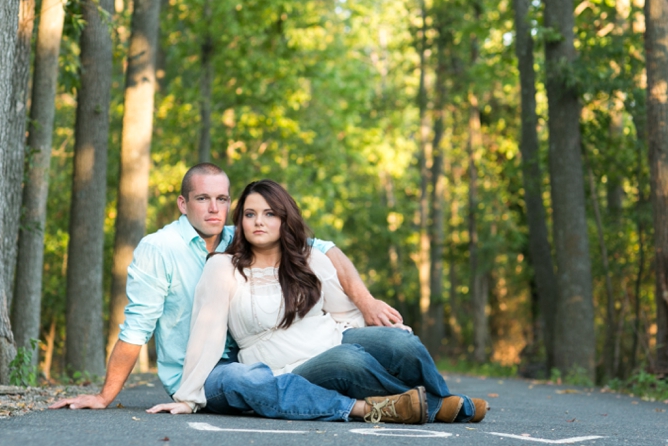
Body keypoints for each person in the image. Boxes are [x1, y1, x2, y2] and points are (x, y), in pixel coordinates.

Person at [47, 164, 448, 425]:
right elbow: (137, 328)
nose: (213, 209)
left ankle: (439, 403)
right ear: (182, 204)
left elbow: (322, 248)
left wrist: (367, 301)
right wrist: (105, 396)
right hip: (207, 371)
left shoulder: (237, 237)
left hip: (259, 351)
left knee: (397, 341)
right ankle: (372, 408)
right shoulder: (160, 249)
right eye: (202, 199)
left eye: (222, 199)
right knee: (250, 376)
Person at [150, 179, 487, 425]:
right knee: (346, 359)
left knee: (399, 340)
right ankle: (422, 405)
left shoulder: (308, 258)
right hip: (284, 366)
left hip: (329, 339)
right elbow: (205, 332)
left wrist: (384, 337)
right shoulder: (224, 267)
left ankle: (438, 401)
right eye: (250, 214)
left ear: (284, 219)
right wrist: (188, 396)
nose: (259, 222)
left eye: (269, 214)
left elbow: (345, 315)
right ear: (240, 222)